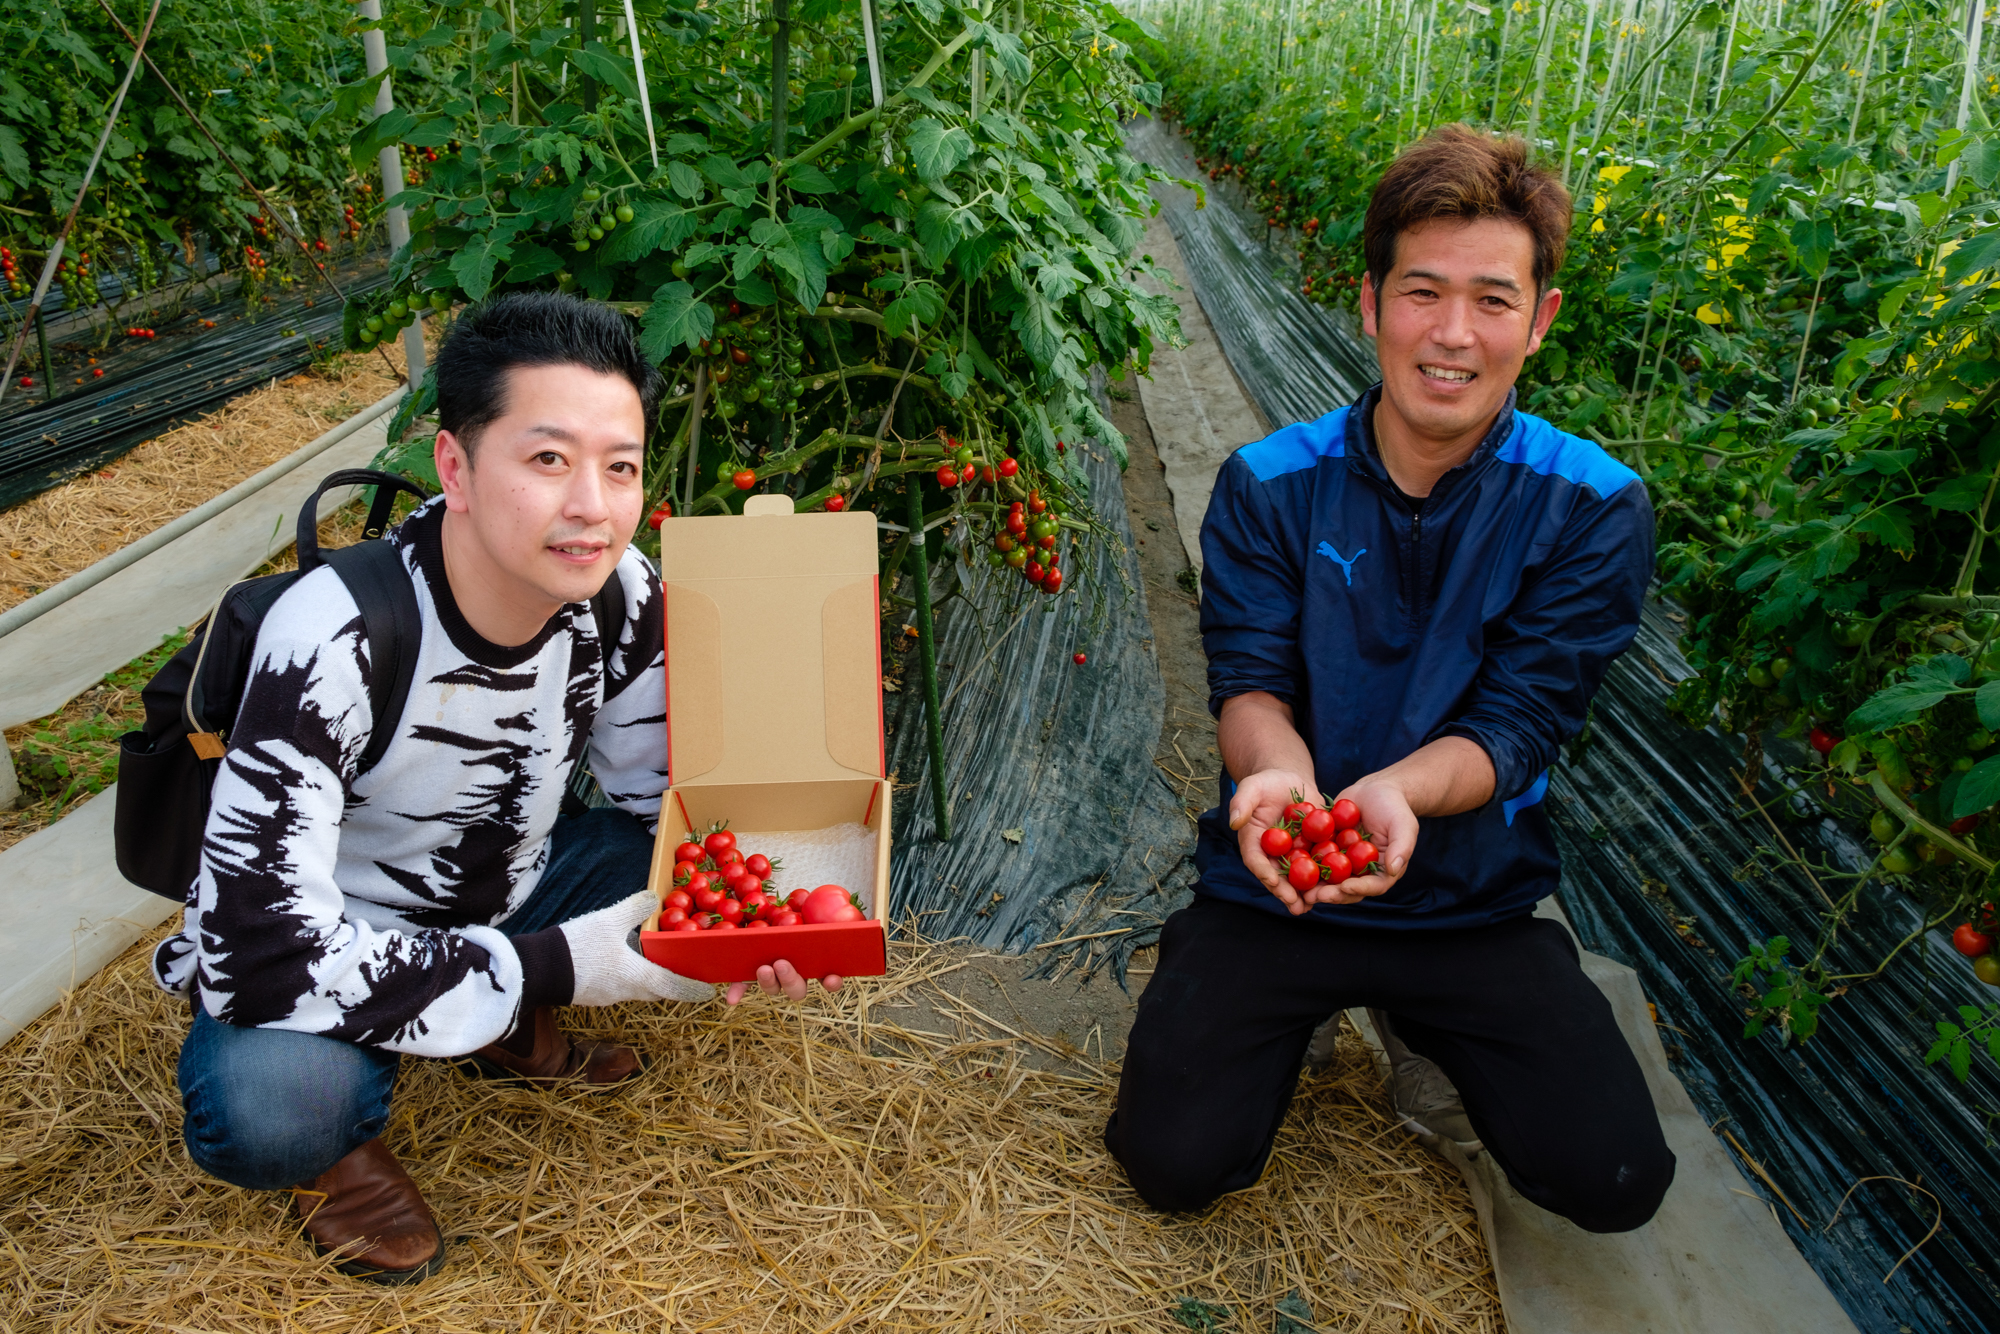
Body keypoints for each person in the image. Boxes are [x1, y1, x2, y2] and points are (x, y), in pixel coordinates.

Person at [155, 292, 838, 1285]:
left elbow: (663, 807)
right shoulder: (332, 635)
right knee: (270, 1110)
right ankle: (346, 1142)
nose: (592, 507)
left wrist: (755, 910)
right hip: (333, 926)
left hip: (512, 881)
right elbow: (259, 956)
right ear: (455, 466)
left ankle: (496, 1013)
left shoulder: (618, 591)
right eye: (548, 458)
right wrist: (554, 967)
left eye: (621, 466)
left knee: (689, 860)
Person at [1105, 125, 1674, 1233]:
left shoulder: (1591, 506)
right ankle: (1280, 1000)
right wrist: (1275, 782)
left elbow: (1519, 720)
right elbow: (1251, 682)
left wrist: (1401, 794)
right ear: (1368, 304)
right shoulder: (1269, 485)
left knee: (1612, 1179)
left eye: (1492, 299)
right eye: (1421, 292)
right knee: (1173, 1164)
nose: (1451, 334)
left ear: (1538, 320)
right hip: (1283, 880)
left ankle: (1422, 1022)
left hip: (1467, 897)